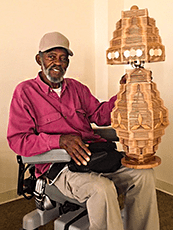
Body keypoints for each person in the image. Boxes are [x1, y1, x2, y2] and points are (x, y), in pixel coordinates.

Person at [7, 32, 159, 230]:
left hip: (94, 156)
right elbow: (18, 141)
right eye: (51, 56)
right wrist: (59, 141)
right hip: (59, 168)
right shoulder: (25, 93)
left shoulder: (77, 88)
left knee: (143, 174)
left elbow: (101, 116)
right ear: (39, 59)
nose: (58, 63)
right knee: (101, 189)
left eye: (63, 58)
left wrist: (124, 92)